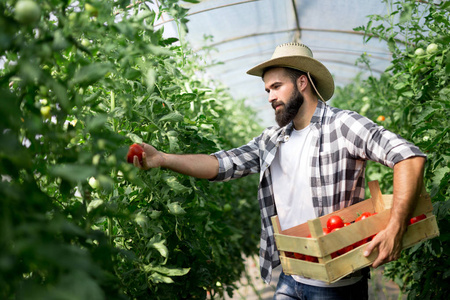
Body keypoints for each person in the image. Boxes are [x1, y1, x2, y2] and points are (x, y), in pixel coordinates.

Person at [132, 43, 426, 299]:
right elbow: (221, 165)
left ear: (301, 83)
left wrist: (396, 226)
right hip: (290, 275)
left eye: (276, 87)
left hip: (336, 282)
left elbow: (408, 156)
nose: (270, 96)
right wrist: (164, 158)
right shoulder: (272, 139)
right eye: (266, 90)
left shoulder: (343, 125)